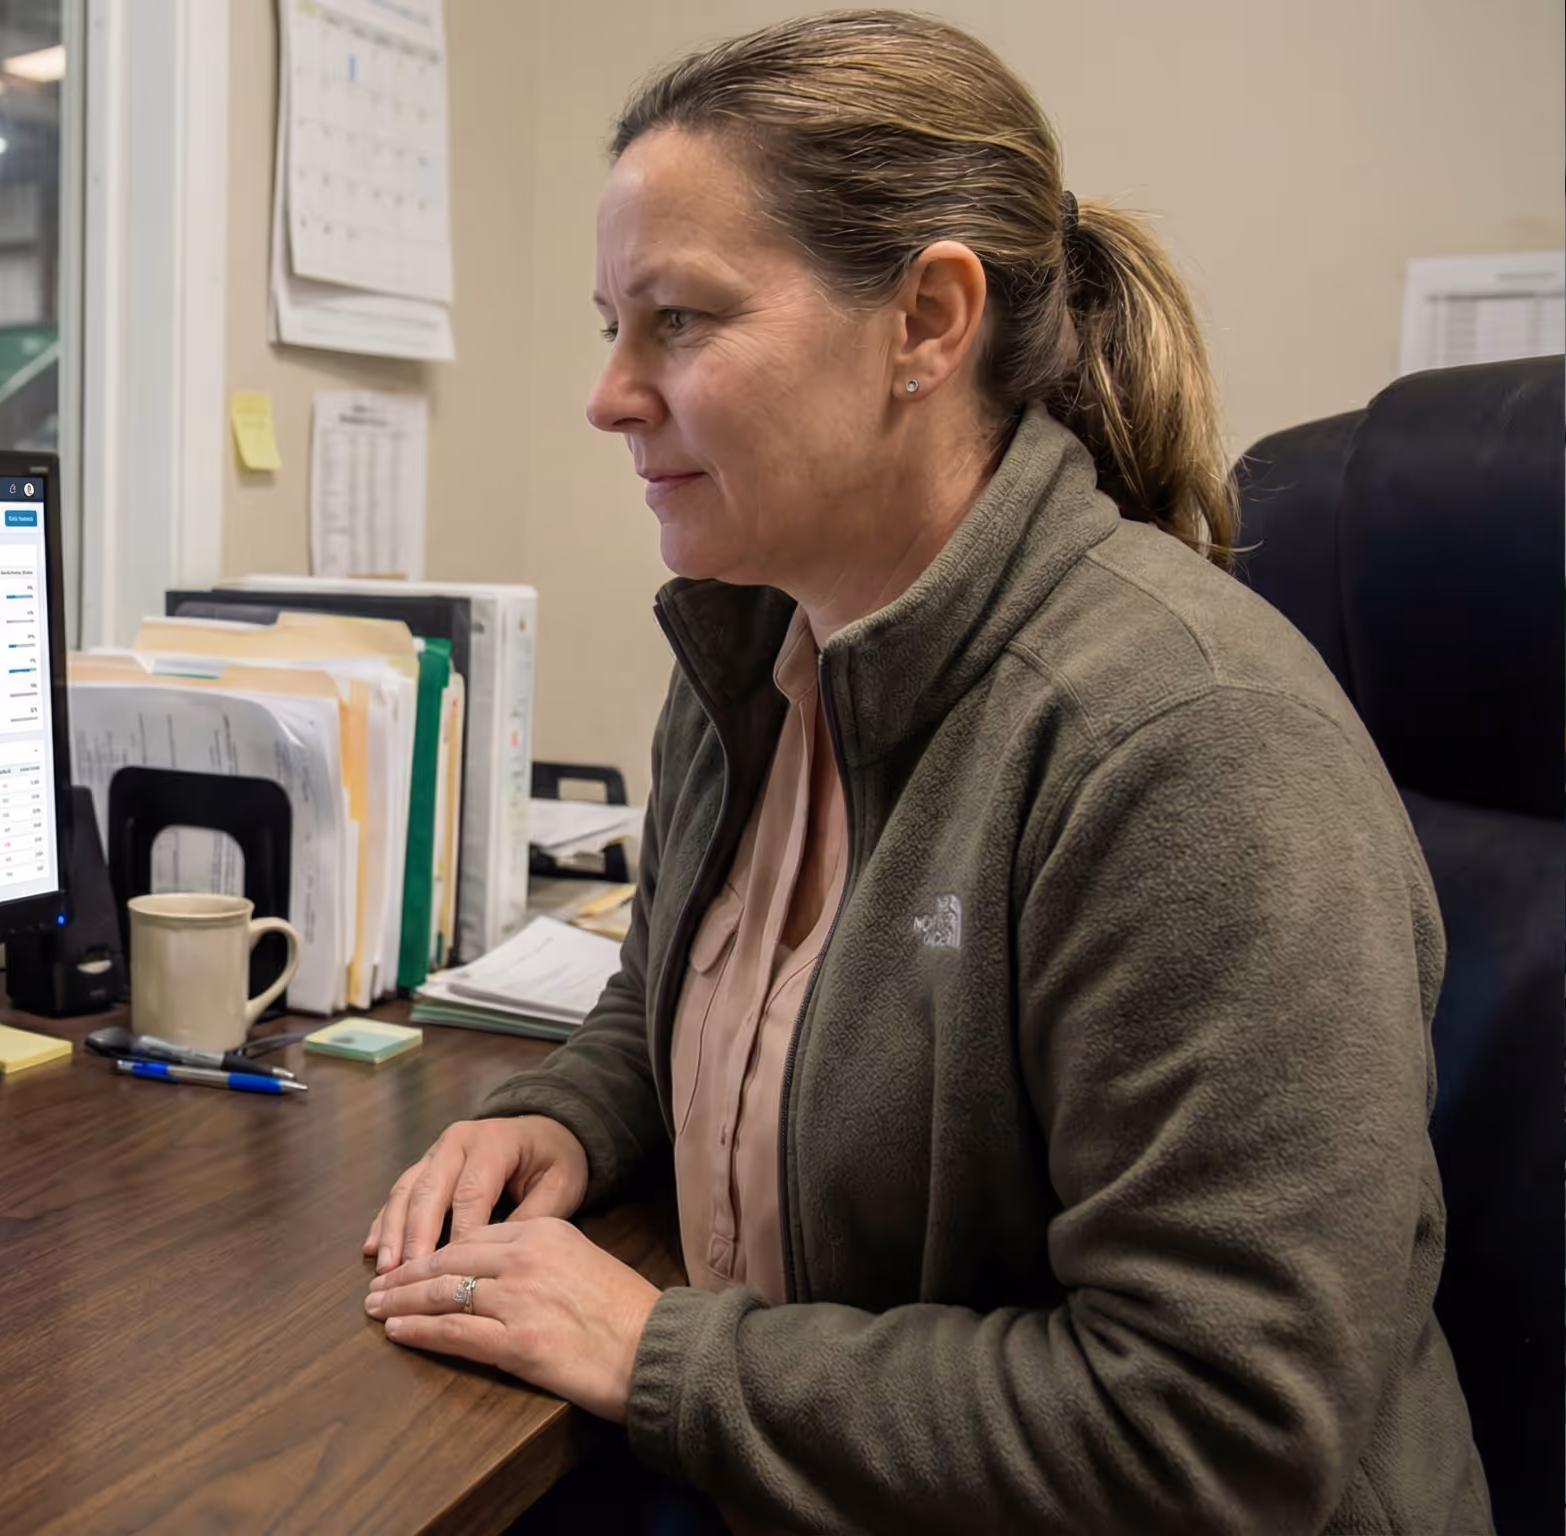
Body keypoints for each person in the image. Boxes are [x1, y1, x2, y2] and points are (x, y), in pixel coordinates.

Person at [359, 12, 1482, 1533]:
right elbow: (681, 990)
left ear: (927, 322)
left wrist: (663, 1355)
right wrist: (564, 1115)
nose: (609, 393)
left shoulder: (1187, 747)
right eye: (610, 324)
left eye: (677, 320)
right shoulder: (750, 654)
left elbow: (1216, 1427)